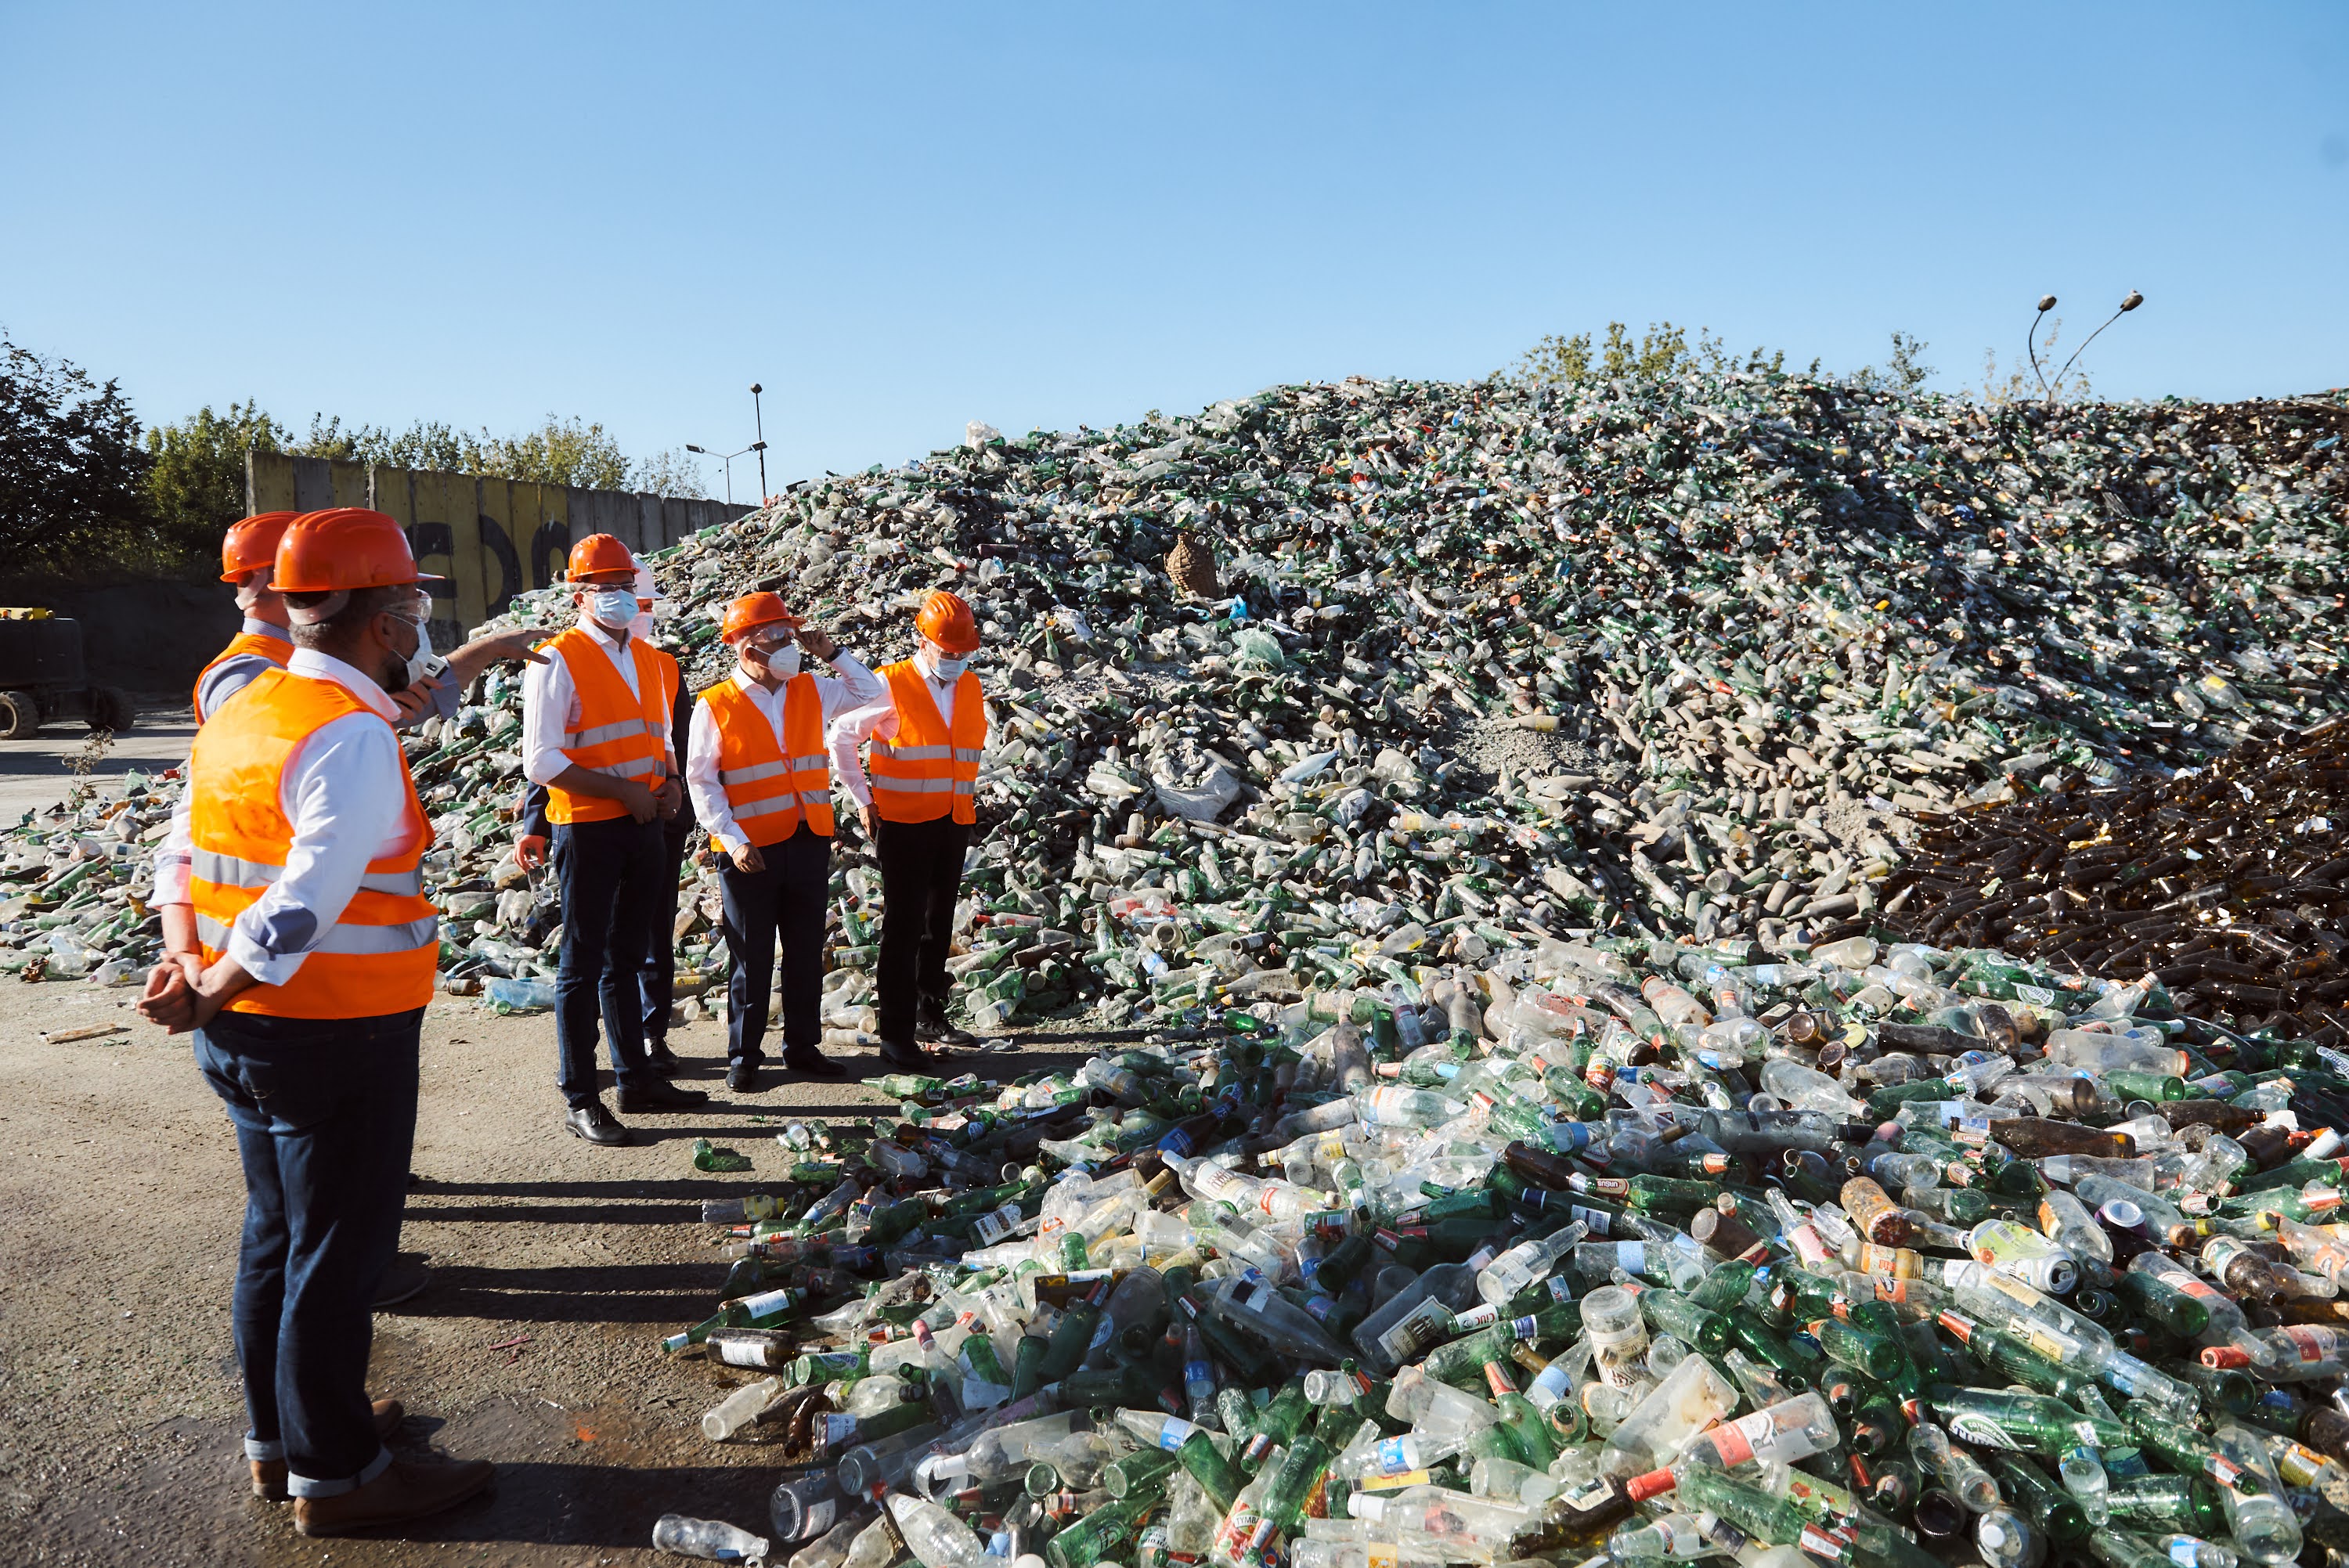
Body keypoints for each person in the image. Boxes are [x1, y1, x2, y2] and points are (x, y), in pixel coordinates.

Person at [137, 507, 496, 1537]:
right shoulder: (351, 734)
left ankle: (283, 1437)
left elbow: (178, 855)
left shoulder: (245, 709)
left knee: (276, 1237)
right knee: (336, 1258)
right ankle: (340, 1476)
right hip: (336, 1033)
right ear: (382, 622)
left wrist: (188, 960)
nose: (422, 633)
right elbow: (306, 894)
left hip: (244, 1034)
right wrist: (213, 981)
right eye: (415, 611)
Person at [521, 532, 707, 1144]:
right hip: (587, 827)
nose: (620, 598)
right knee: (582, 964)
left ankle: (637, 1077)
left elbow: (661, 739)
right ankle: (581, 1094)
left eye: (626, 587)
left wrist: (672, 781)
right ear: (579, 596)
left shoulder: (657, 661)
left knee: (628, 957)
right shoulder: (556, 659)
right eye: (606, 589)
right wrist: (619, 791)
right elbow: (540, 760)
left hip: (646, 823)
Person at [686, 592, 882, 1090]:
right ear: (748, 649)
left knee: (802, 951)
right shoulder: (714, 705)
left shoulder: (811, 687)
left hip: (808, 838)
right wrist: (730, 838)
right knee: (750, 957)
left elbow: (870, 693)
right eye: (780, 638)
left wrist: (831, 652)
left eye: (791, 636)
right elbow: (701, 782)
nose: (791, 644)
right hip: (749, 849)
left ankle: (802, 1047)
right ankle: (744, 1055)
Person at [831, 588, 990, 1070]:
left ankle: (930, 1015)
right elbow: (840, 737)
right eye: (949, 653)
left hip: (952, 819)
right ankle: (896, 1036)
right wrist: (863, 798)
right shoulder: (889, 684)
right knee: (902, 927)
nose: (957, 661)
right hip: (901, 823)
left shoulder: (969, 685)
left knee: (938, 922)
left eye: (964, 654)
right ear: (922, 642)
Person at [197, 511, 543, 728]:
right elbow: (274, 761)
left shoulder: (325, 656)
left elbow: (428, 683)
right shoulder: (242, 673)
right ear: (275, 577)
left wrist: (490, 648)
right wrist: (366, 719)